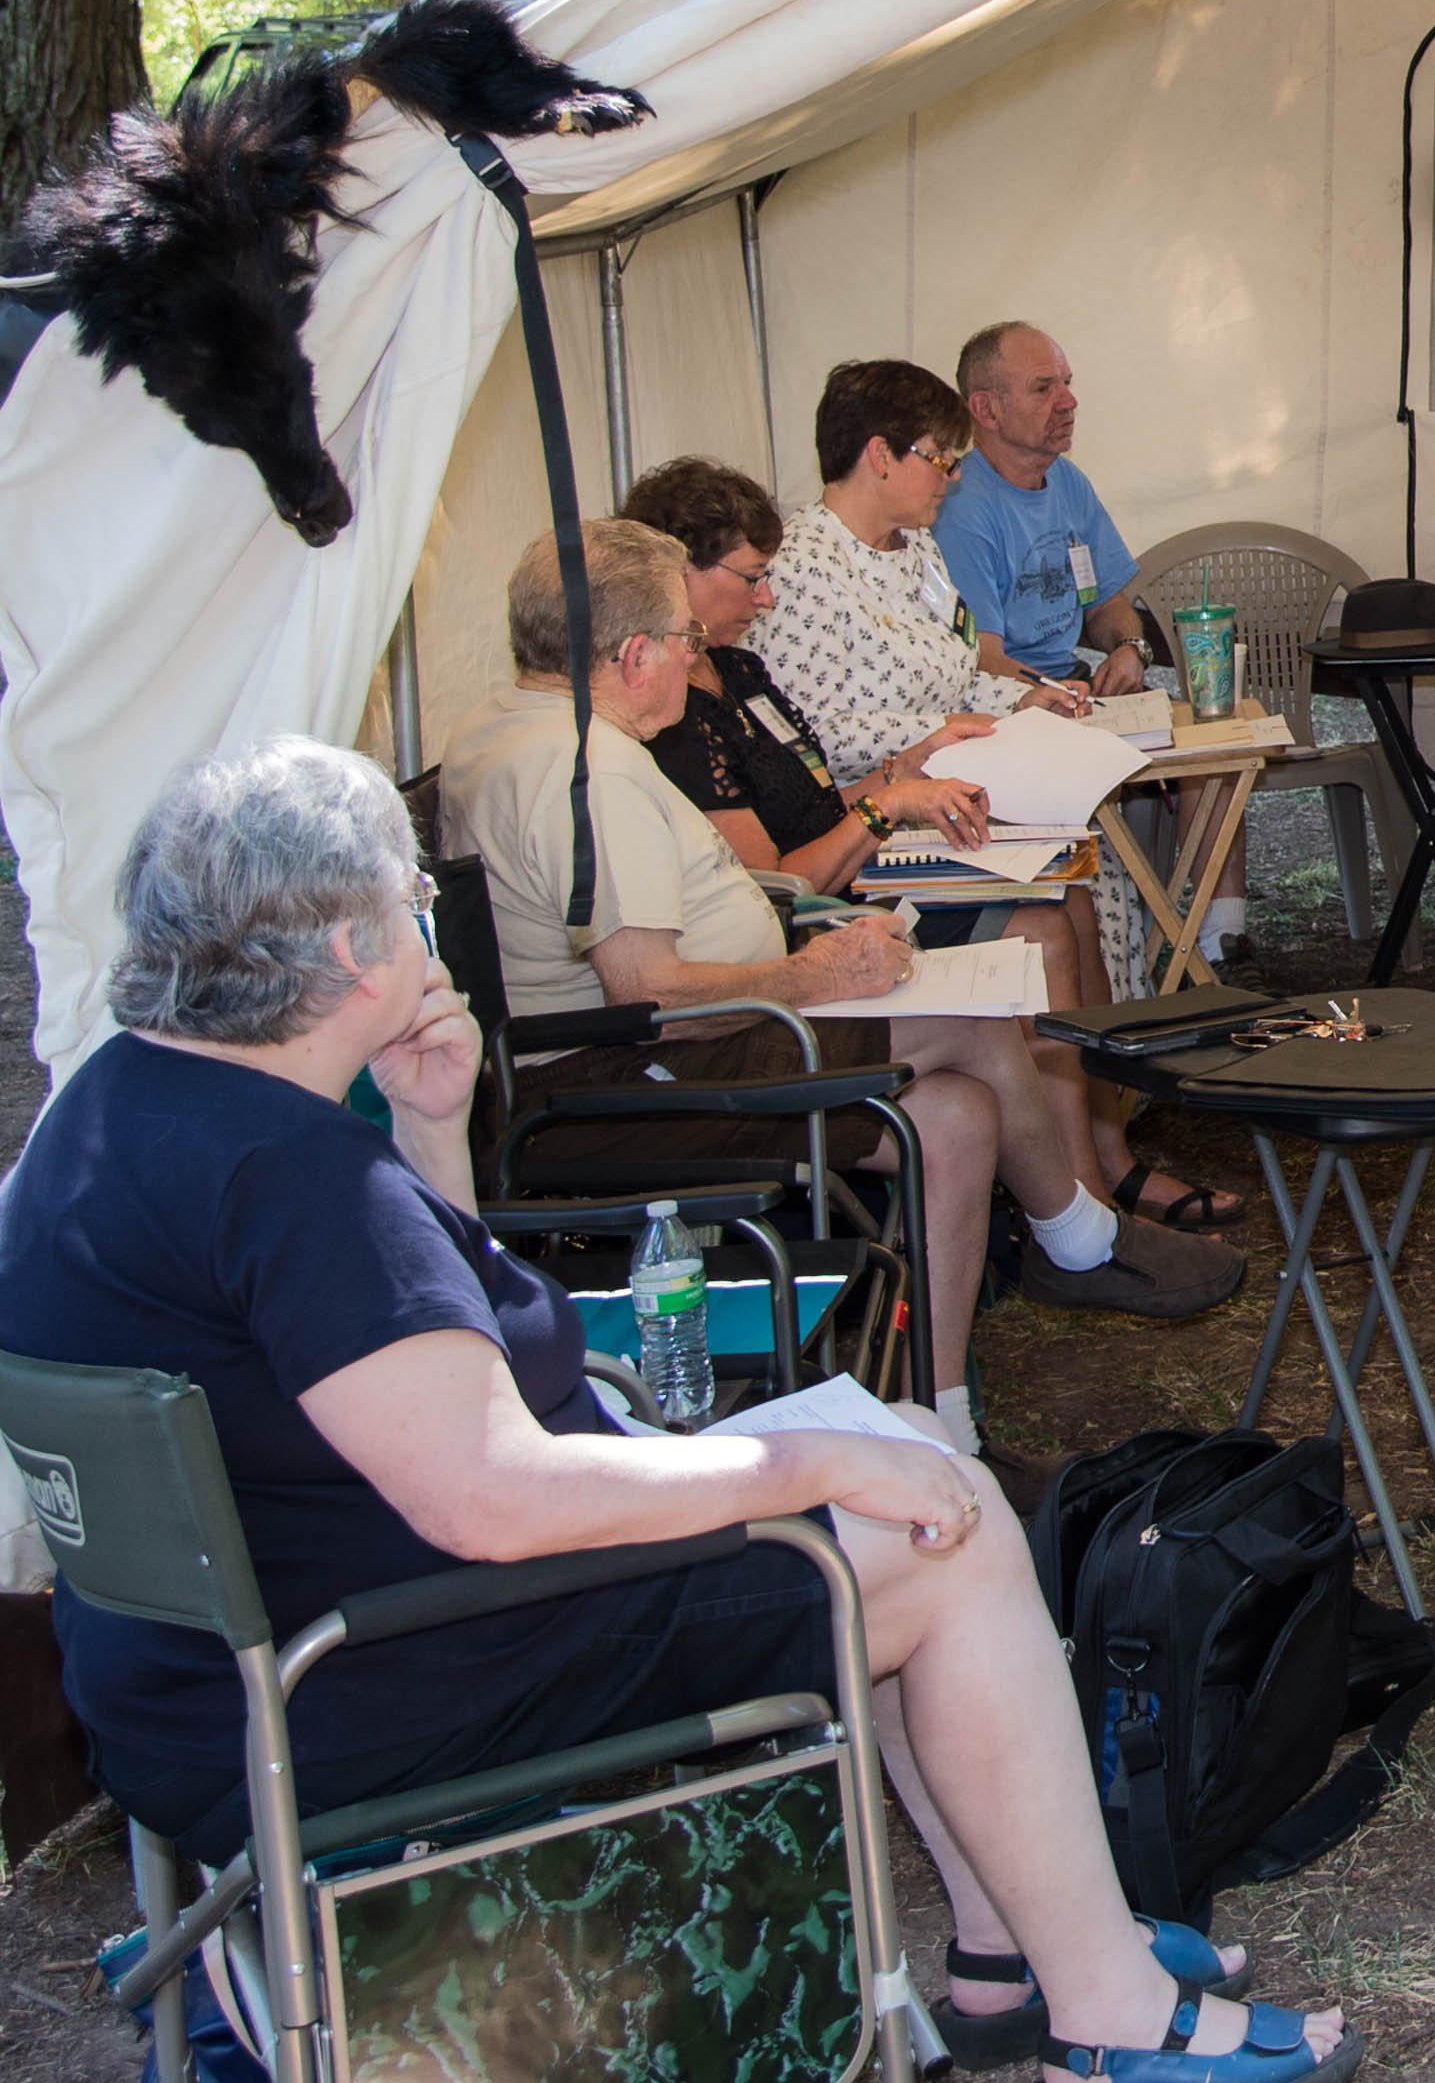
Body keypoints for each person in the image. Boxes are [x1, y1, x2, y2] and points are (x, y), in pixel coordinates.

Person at [0, 738, 1356, 2082]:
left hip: (217, 1689)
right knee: (940, 1526)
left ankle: (1019, 1946)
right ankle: (1106, 2009)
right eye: (412, 902)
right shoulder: (290, 1178)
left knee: (895, 1467)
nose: (428, 928)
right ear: (353, 953)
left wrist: (431, 1131)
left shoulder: (108, 1115)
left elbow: (426, 1368)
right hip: (386, 1678)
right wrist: (798, 1464)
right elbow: (487, 1495)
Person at [440, 521, 1243, 1391]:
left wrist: (808, 939)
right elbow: (653, 998)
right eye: (684, 636)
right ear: (636, 656)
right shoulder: (590, 773)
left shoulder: (506, 725)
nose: (695, 653)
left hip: (623, 1055)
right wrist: (815, 973)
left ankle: (936, 1415)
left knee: (957, 1116)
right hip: (626, 1079)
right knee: (968, 1016)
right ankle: (1078, 1241)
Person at [621, 460, 1241, 1239]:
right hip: (824, 919)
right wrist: (886, 806)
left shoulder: (737, 671)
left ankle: (1106, 1160)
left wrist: (910, 765)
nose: (767, 598)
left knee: (1067, 894)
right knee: (1042, 930)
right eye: (751, 578)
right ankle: (1084, 1199)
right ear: (679, 576)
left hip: (848, 880)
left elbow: (817, 803)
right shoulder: (679, 717)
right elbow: (775, 883)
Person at [757, 358, 1087, 785]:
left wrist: (1023, 702)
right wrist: (945, 730)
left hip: (942, 786)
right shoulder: (802, 567)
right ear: (881, 456)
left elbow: (953, 682)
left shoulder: (916, 542)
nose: (954, 473)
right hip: (863, 807)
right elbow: (814, 735)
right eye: (940, 455)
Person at [942, 322, 1153, 698]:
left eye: (1066, 383)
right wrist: (1070, 700)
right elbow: (984, 662)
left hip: (1070, 682)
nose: (1069, 402)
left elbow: (1102, 602)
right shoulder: (959, 507)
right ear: (986, 410)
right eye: (1043, 388)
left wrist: (1130, 649)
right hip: (1008, 700)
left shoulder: (1067, 480)